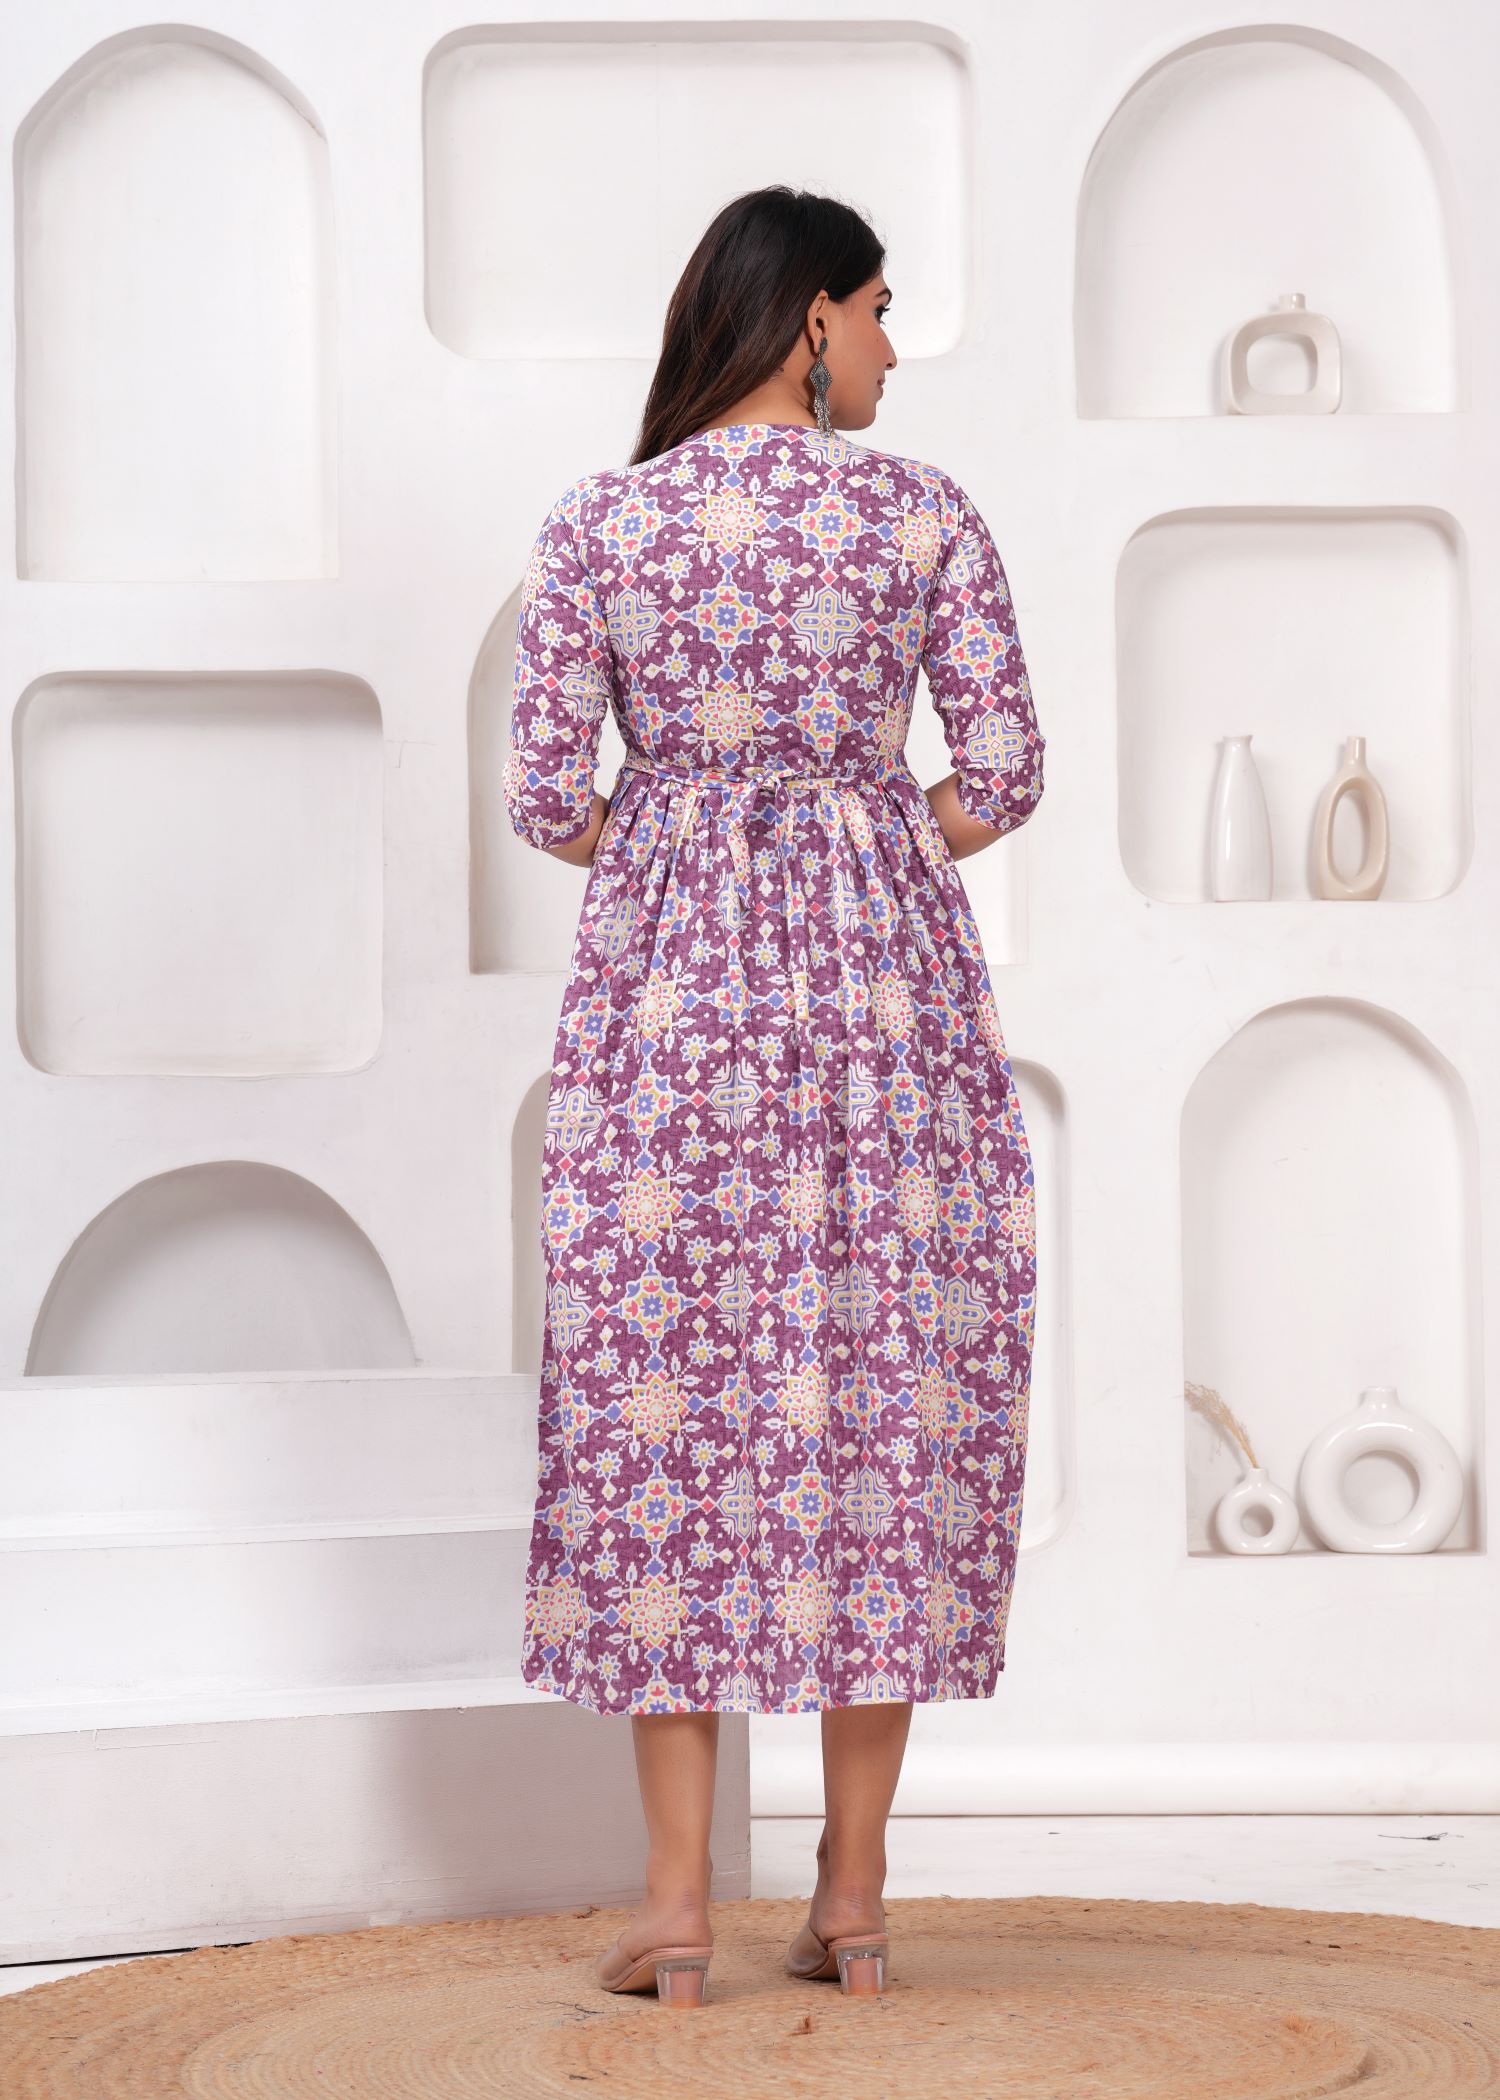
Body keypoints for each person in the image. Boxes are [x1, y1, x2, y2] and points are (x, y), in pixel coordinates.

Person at [504, 184, 1045, 2007]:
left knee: (662, 1413)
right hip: (888, 1014)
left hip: (669, 1018)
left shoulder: (602, 522)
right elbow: (1004, 771)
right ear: (811, 316)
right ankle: (854, 1892)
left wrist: (683, 853)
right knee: (883, 1406)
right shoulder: (921, 514)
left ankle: (674, 1903)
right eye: (881, 309)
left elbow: (544, 797)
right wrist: (866, 839)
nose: (892, 347)